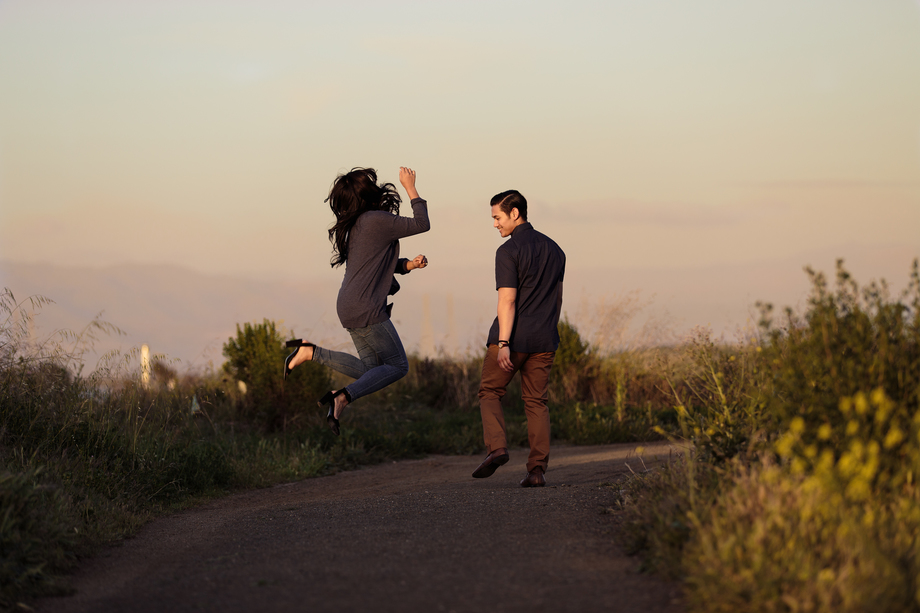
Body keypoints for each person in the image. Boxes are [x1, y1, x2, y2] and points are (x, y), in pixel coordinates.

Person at [283, 167, 429, 436]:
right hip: (366, 308)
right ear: (367, 194)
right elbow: (422, 224)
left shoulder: (360, 225)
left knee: (371, 370)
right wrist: (410, 187)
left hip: (349, 306)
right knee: (398, 366)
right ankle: (343, 397)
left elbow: (376, 265)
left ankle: (310, 352)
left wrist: (409, 265)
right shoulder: (375, 220)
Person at [472, 190, 565, 487]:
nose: (495, 224)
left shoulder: (508, 251)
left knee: (489, 392)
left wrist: (503, 343)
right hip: (545, 339)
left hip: (513, 340)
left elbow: (507, 302)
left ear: (515, 213)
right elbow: (556, 298)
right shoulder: (556, 250)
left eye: (497, 217)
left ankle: (497, 448)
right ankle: (537, 470)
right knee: (537, 403)